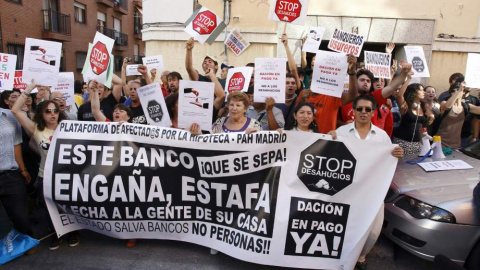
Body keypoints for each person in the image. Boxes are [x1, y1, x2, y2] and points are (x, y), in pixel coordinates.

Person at [328, 95, 403, 270]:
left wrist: (396, 154)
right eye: (359, 109)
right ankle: (342, 257)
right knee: (344, 226)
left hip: (373, 191)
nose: (363, 112)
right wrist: (329, 139)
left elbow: (388, 160)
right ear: (353, 111)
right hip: (346, 190)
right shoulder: (341, 132)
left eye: (368, 109)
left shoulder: (382, 136)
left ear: (373, 112)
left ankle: (361, 256)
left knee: (373, 231)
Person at [11, 81, 79, 250]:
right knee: (50, 209)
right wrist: (28, 89)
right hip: (45, 177)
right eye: (48, 111)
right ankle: (56, 234)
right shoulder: (37, 129)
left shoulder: (70, 128)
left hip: (67, 176)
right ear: (42, 114)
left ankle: (72, 233)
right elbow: (16, 110)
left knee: (68, 207)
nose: (52, 114)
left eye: (55, 110)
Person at [0, 102, 33, 247]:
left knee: (20, 215)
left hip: (10, 174)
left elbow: (16, 144)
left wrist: (23, 169)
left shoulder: (8, 115)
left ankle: (26, 243)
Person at [392, 81, 434, 156]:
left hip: (417, 145)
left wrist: (425, 145)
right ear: (414, 92)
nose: (424, 92)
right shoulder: (406, 106)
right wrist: (408, 78)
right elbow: (399, 96)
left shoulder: (424, 107)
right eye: (421, 90)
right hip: (402, 143)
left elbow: (423, 129)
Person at [437, 80, 480, 149]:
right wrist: (459, 90)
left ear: (463, 93)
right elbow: (448, 106)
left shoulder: (465, 106)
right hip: (441, 142)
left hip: (457, 144)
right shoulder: (444, 103)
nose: (456, 93)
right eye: (453, 91)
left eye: (459, 91)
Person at [196, 91, 261, 134]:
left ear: (245, 108)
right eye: (231, 105)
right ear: (227, 106)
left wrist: (250, 139)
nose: (234, 108)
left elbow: (260, 147)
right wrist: (197, 133)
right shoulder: (219, 122)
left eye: (238, 105)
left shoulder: (254, 125)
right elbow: (207, 140)